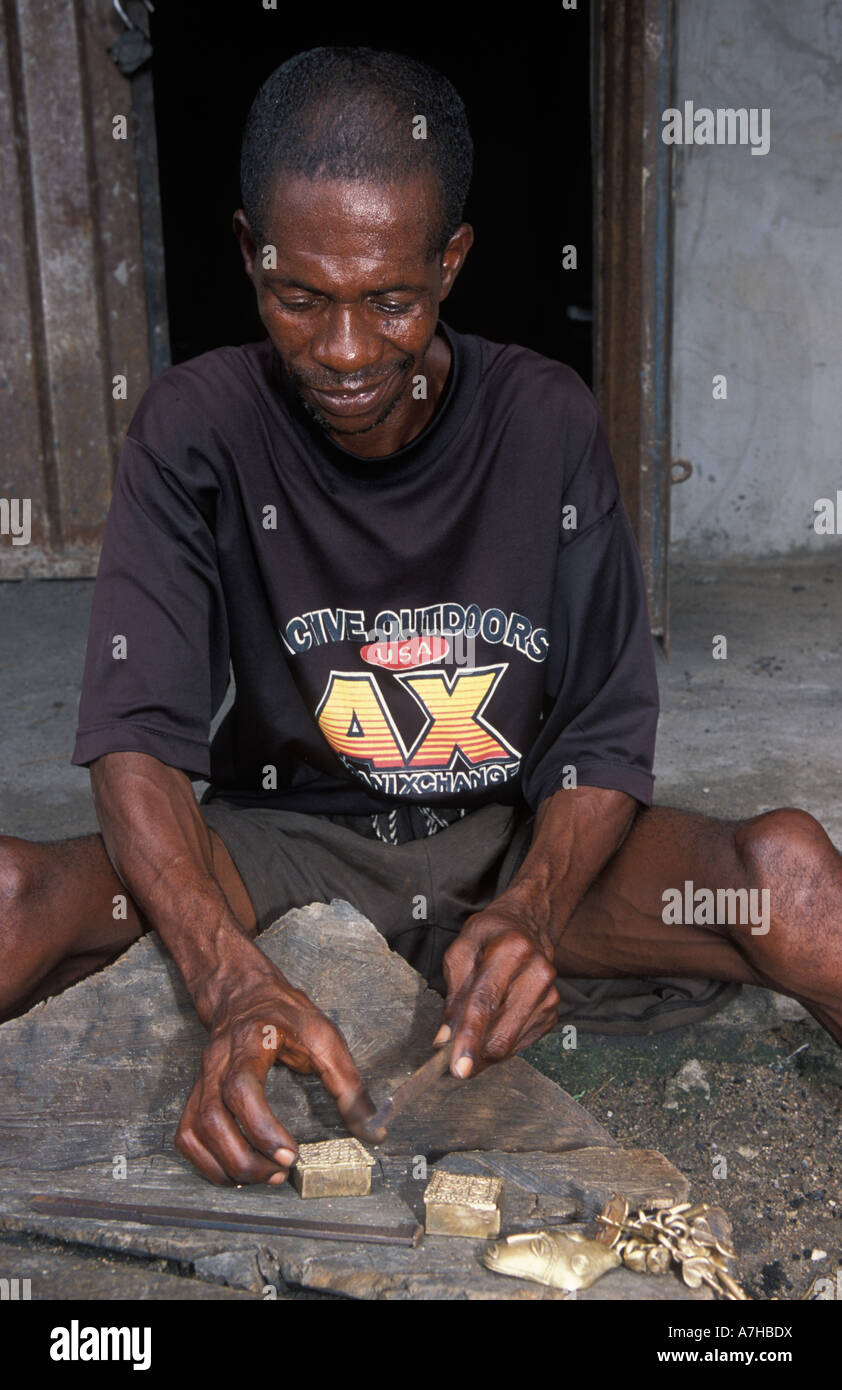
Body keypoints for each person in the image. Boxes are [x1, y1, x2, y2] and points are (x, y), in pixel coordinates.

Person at [1, 48, 839, 1189]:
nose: (343, 352)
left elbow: (599, 730)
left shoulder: (543, 418)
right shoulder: (194, 427)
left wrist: (535, 912)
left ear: (449, 263)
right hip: (285, 845)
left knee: (784, 876)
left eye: (389, 300)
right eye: (297, 296)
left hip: (509, 841)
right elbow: (136, 741)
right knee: (14, 902)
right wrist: (228, 976)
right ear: (250, 251)